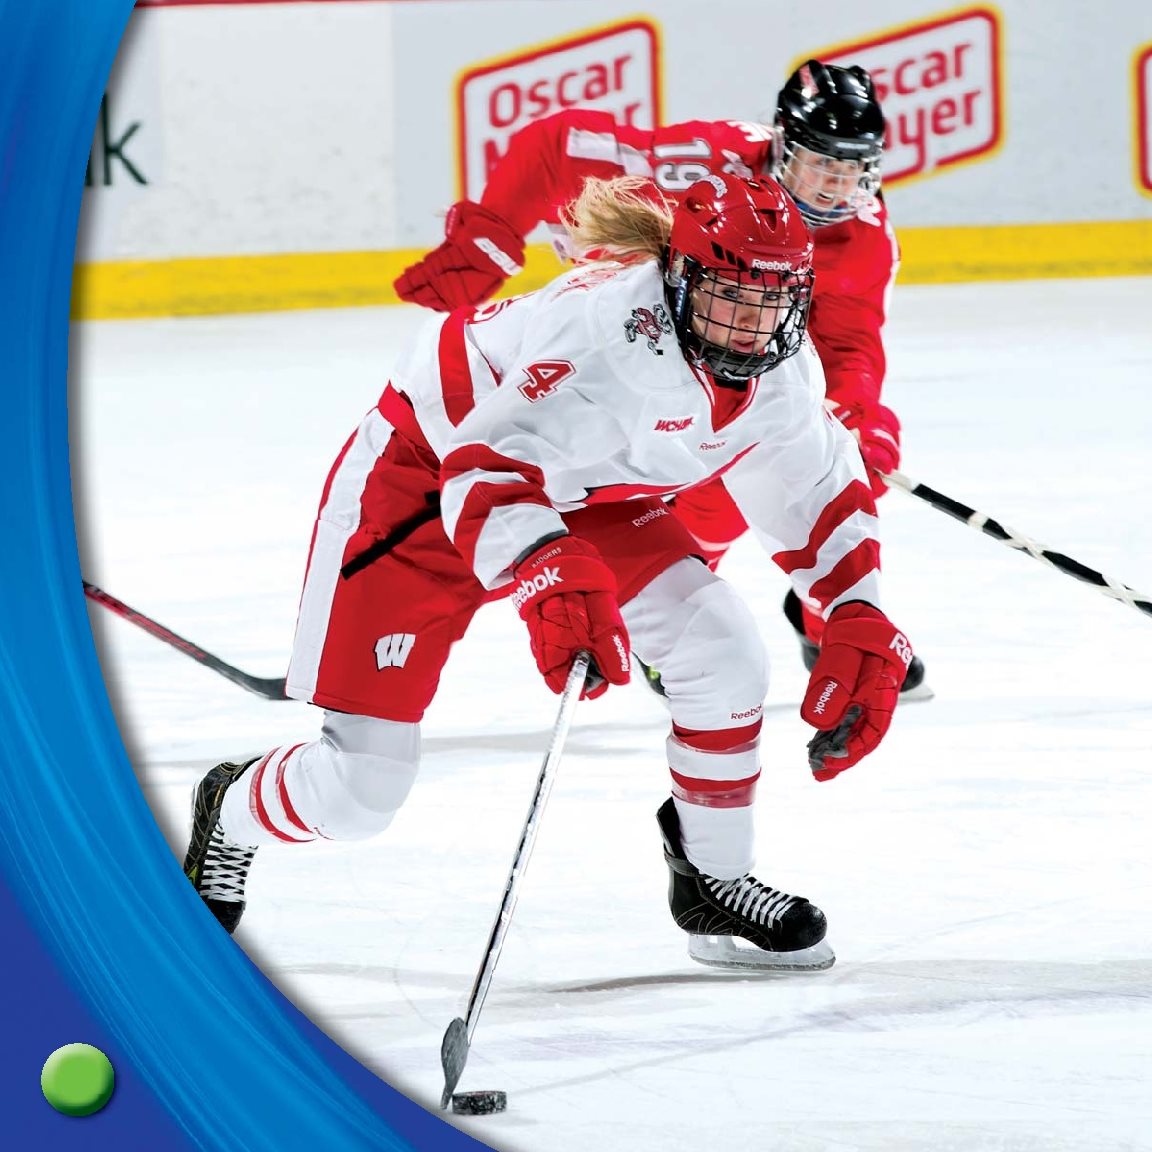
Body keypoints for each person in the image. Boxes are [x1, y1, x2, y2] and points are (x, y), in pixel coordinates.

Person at [185, 174, 914, 973]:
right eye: (730, 298)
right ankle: (232, 809)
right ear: (680, 276)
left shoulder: (781, 368)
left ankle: (713, 874)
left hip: (580, 486)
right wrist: (551, 580)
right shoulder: (605, 340)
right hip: (421, 479)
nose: (749, 327)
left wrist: (856, 614)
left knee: (724, 648)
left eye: (772, 303)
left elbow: (815, 491)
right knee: (360, 793)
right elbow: (482, 472)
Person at [394, 59, 927, 695]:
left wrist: (854, 414)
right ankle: (415, 602)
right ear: (783, 143)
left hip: (729, 346)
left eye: (851, 169)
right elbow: (558, 146)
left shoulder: (863, 235)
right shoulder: (708, 163)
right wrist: (491, 233)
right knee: (548, 479)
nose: (836, 188)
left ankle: (800, 621)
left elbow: (848, 343)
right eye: (821, 164)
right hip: (619, 329)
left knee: (782, 475)